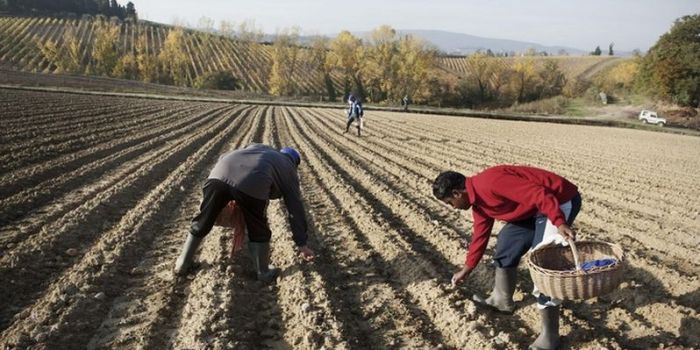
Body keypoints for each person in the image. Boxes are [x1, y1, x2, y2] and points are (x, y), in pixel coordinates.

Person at [432, 165, 582, 350]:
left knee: (542, 264)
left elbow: (539, 194)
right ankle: (501, 300)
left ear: (456, 193)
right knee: (506, 242)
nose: (453, 208)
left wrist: (558, 222)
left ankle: (550, 337)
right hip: (532, 209)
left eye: (449, 203)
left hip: (558, 200)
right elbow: (480, 236)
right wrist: (466, 269)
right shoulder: (479, 204)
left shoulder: (491, 183)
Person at [175, 143, 315, 282]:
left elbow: (225, 157)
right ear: (294, 162)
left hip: (218, 175)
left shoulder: (259, 150)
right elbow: (294, 207)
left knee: (204, 220)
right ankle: (263, 272)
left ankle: (182, 263)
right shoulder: (289, 167)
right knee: (258, 227)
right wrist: (302, 243)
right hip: (252, 182)